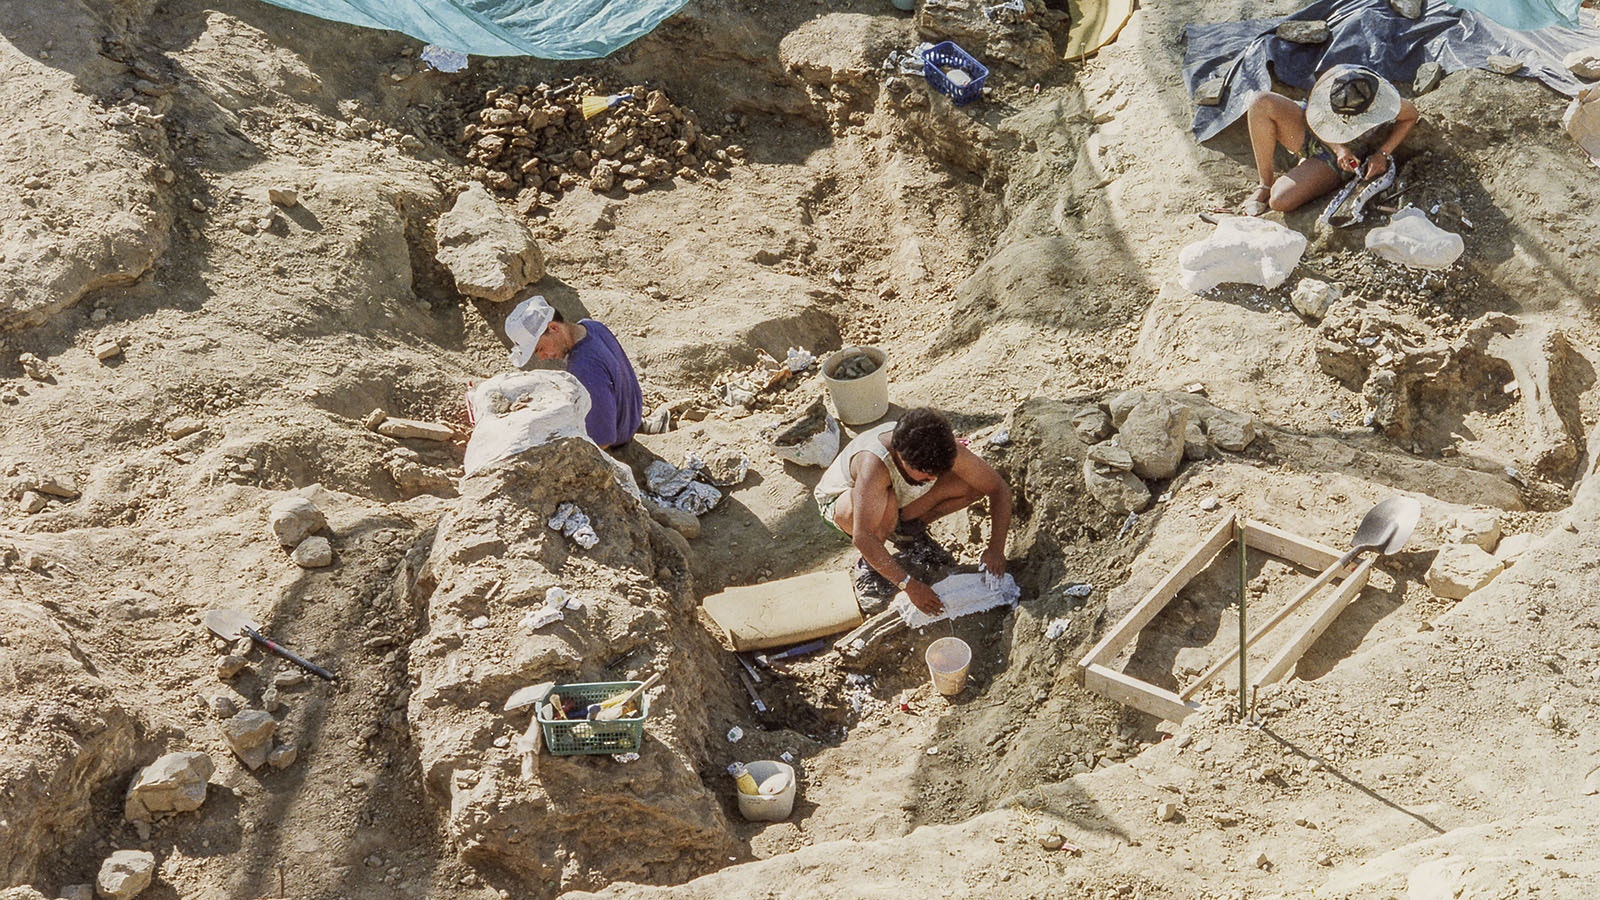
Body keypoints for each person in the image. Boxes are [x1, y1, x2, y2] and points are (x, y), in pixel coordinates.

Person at [814, 408, 1013, 615]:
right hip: (847, 503)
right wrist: (909, 585)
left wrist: (996, 549)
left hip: (897, 497)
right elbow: (863, 536)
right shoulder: (873, 464)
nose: (933, 480)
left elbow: (997, 488)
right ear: (901, 457)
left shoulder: (943, 449)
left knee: (971, 484)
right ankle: (868, 567)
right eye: (927, 475)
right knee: (887, 503)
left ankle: (909, 533)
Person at [1241, 64, 1419, 215]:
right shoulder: (1334, 78)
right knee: (1261, 102)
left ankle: (1307, 169)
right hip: (1316, 130)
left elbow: (1411, 115)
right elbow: (1313, 117)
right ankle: (1265, 184)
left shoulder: (1384, 101)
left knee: (1279, 200)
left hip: (1338, 155)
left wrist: (1382, 153)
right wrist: (1338, 147)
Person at [506, 295, 642, 449]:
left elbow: (602, 441)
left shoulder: (583, 367)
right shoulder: (591, 326)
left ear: (553, 328)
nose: (542, 357)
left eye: (540, 349)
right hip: (631, 415)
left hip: (618, 436)